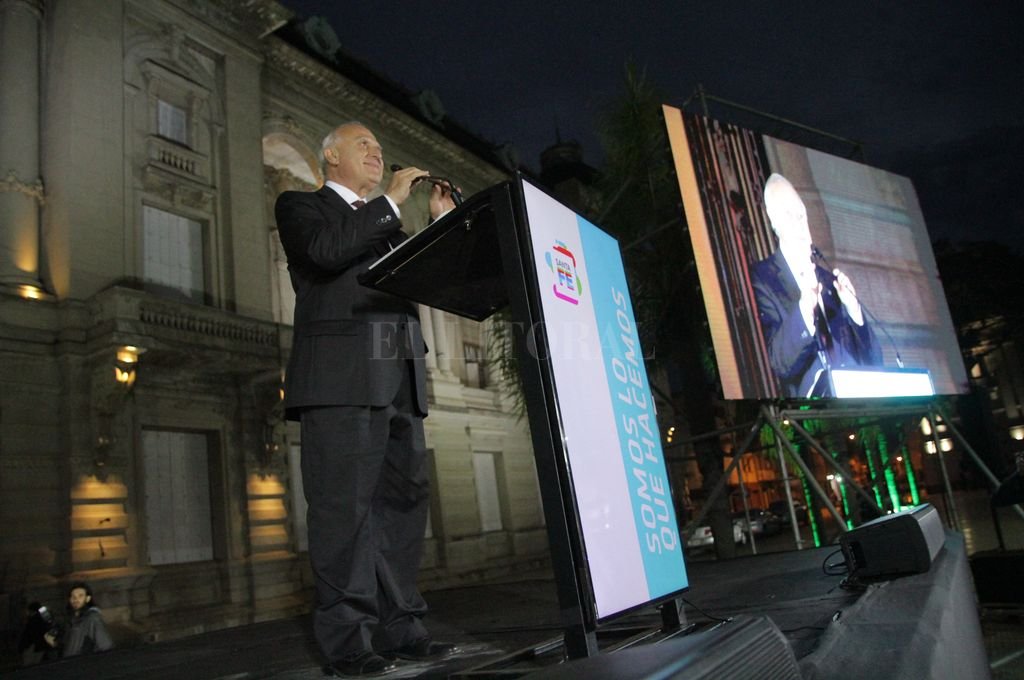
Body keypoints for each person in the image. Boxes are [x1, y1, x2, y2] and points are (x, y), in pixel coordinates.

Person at [275, 122, 459, 677]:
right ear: (331, 156)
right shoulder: (302, 207)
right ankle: (349, 644)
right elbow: (327, 253)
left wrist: (441, 224)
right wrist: (390, 202)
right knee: (343, 512)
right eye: (365, 146)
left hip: (399, 374)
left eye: (380, 148)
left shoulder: (387, 226)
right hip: (341, 379)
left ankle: (402, 628)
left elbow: (434, 284)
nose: (377, 153)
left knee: (403, 507)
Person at [751, 173, 881, 398]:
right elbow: (776, 363)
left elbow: (874, 360)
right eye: (789, 214)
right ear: (774, 222)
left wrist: (854, 311)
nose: (800, 222)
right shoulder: (760, 278)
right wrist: (805, 311)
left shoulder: (830, 281)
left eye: (801, 214)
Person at [44, 582, 114, 657]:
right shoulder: (70, 621)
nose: (76, 599)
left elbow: (105, 647)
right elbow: (69, 646)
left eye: (80, 596)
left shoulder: (92, 618)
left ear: (87, 599)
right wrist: (54, 643)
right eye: (73, 596)